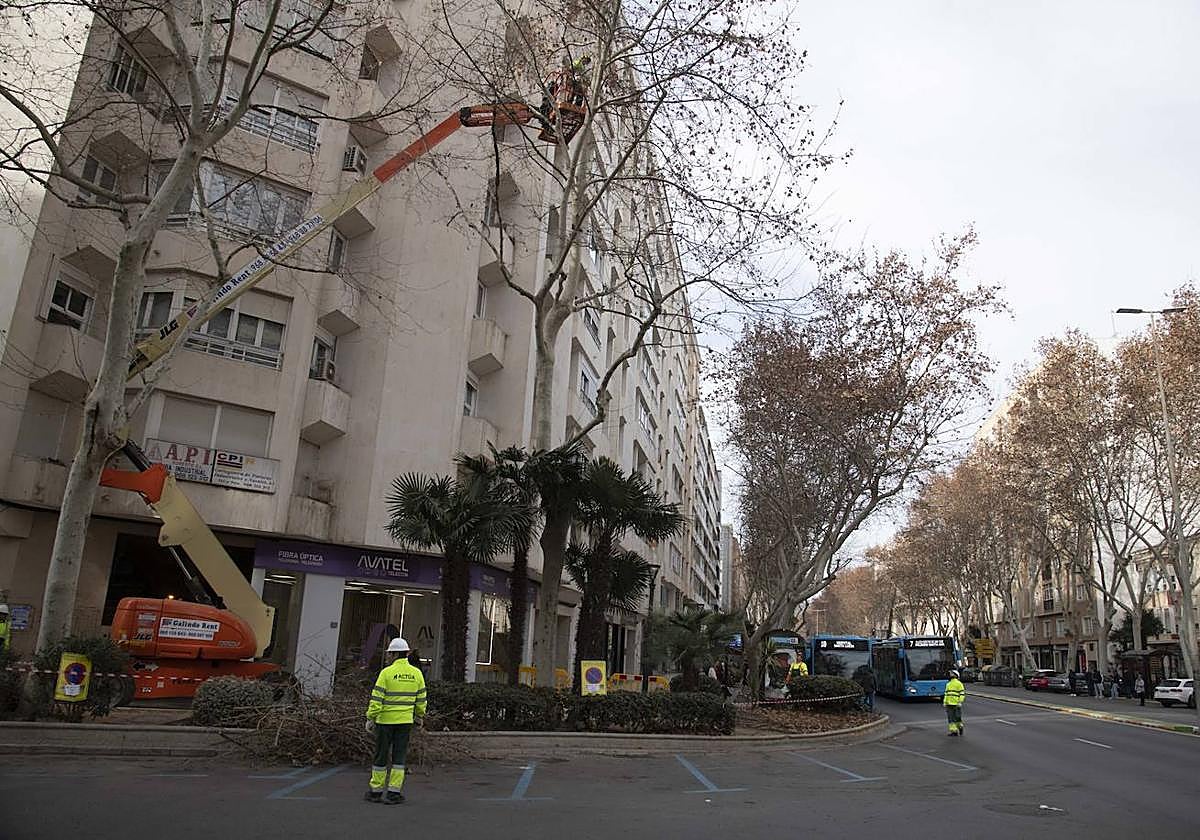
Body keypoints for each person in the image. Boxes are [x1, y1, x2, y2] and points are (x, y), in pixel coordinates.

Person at [364, 637, 427, 804]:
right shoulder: (416, 674)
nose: (387, 657)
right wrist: (419, 716)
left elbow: (377, 698)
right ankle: (393, 793)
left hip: (385, 722)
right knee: (399, 759)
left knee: (380, 757)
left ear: (393, 654)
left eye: (389, 654)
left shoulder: (386, 673)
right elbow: (421, 699)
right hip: (405, 722)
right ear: (406, 653)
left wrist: (371, 718)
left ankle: (376, 791)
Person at [944, 669, 966, 736]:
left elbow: (962, 694)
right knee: (953, 718)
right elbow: (946, 694)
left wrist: (960, 701)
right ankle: (954, 731)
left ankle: (959, 727)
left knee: (955, 718)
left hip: (955, 704)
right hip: (951, 704)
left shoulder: (958, 684)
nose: (951, 675)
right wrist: (945, 702)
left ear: (956, 675)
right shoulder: (949, 684)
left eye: (952, 674)